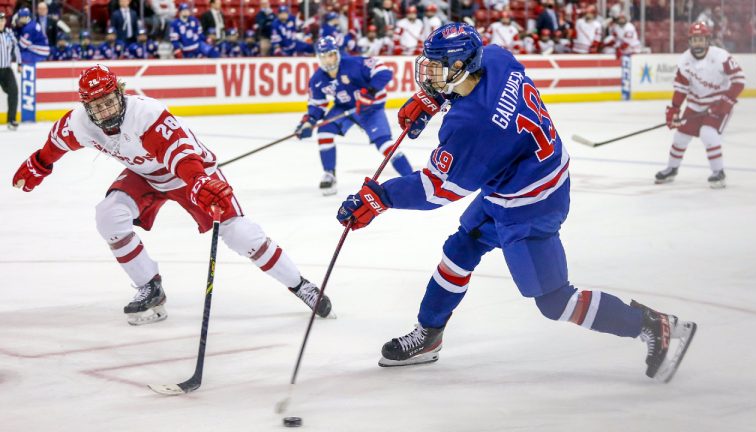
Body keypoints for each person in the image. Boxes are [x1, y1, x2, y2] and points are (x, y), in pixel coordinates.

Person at [335, 23, 697, 383]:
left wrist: (379, 197)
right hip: (521, 179)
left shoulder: (472, 126)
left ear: (462, 66)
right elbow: (481, 96)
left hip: (530, 204)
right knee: (461, 249)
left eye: (438, 66)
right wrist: (440, 97)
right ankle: (429, 334)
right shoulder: (495, 57)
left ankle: (654, 326)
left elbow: (435, 190)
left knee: (555, 301)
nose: (428, 72)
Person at [11, 65, 334, 326]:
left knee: (240, 234)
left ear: (120, 92)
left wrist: (198, 184)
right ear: (86, 107)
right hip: (146, 175)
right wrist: (39, 164)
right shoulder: (80, 123)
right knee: (108, 215)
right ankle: (149, 286)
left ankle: (300, 285)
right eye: (97, 105)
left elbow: (181, 157)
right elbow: (56, 143)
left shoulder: (147, 115)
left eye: (109, 99)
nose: (106, 109)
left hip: (189, 175)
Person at [296, 36, 413, 195]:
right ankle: (329, 174)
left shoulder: (354, 64)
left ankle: (411, 178)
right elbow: (317, 104)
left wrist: (370, 91)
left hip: (370, 109)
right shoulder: (318, 79)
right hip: (344, 109)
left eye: (330, 55)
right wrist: (309, 121)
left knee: (385, 144)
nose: (327, 60)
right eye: (323, 56)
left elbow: (384, 71)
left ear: (337, 53)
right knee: (324, 131)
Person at [655, 22, 744, 188]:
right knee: (680, 137)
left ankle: (718, 172)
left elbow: (739, 81)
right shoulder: (684, 60)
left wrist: (726, 102)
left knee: (708, 133)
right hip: (695, 104)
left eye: (701, 39)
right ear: (690, 41)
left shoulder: (720, 56)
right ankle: (672, 169)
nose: (698, 43)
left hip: (718, 103)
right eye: (694, 39)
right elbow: (681, 89)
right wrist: (674, 109)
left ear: (707, 40)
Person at [0, 11, 20, 130]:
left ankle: (11, 120)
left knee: (14, 92)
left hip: (7, 69)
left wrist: (19, 63)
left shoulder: (8, 33)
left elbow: (16, 47)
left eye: (2, 20)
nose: (1, 23)